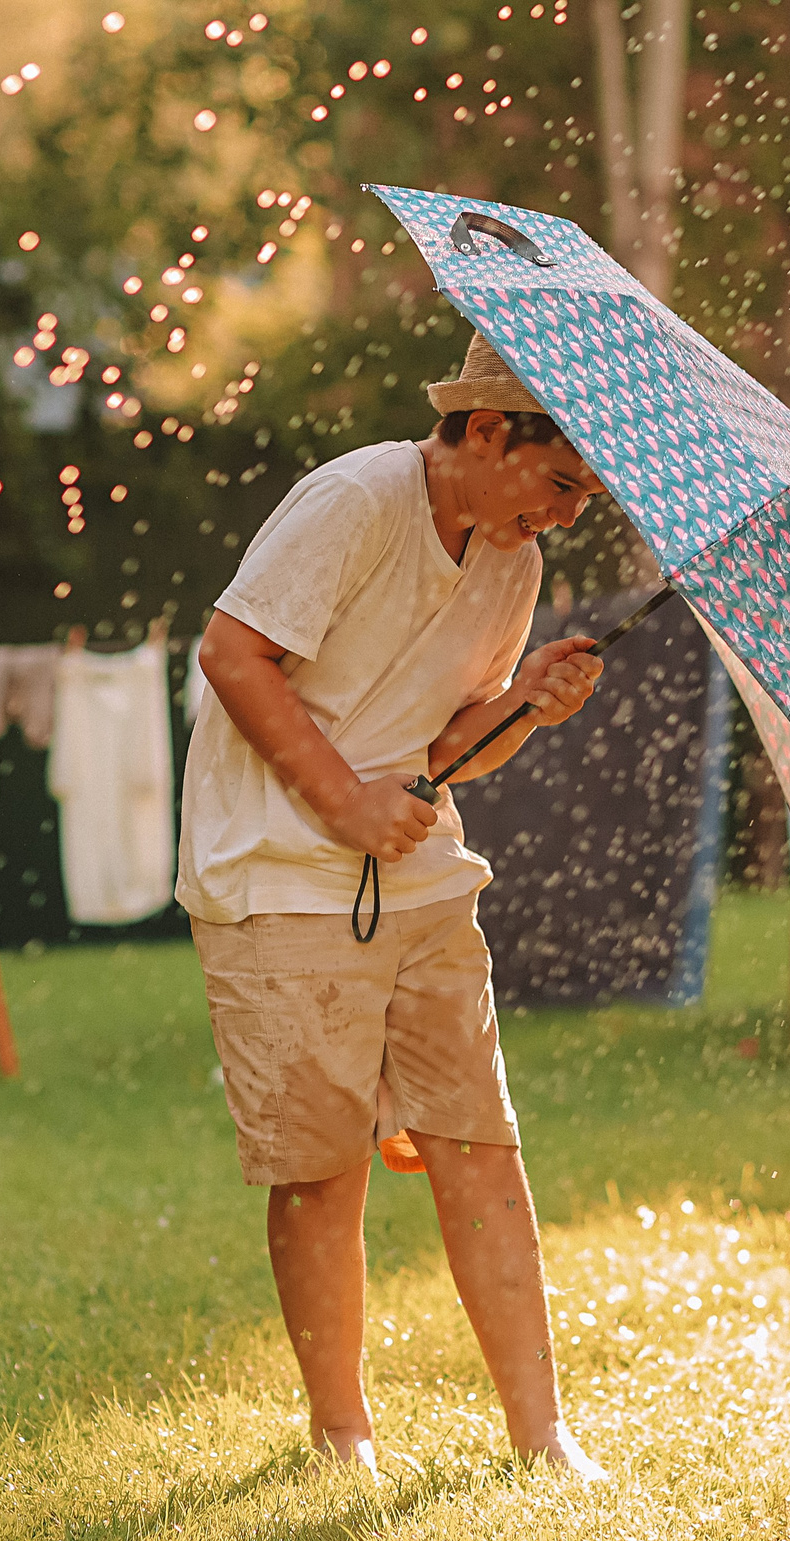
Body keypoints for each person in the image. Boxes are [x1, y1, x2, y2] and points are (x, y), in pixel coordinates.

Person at [180, 333, 612, 1479]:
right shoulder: (357, 499)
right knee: (323, 1165)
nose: (566, 518)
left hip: (419, 880)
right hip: (274, 871)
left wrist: (527, 703)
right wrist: (340, 801)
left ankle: (543, 1438)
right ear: (482, 431)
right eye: (559, 483)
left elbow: (444, 753)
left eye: (586, 497)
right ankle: (341, 1437)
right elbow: (232, 654)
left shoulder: (511, 565)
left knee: (480, 1143)